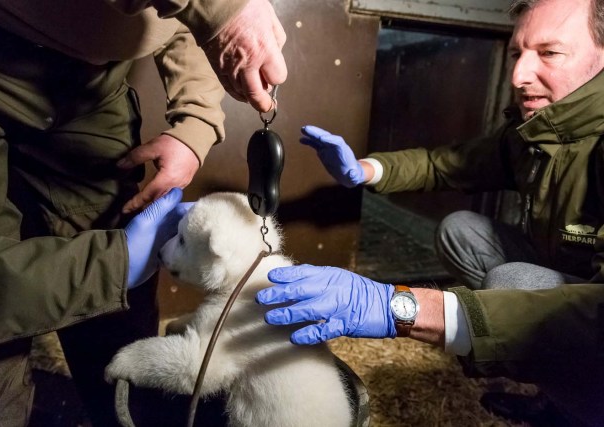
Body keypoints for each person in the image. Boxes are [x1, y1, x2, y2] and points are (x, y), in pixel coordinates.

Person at [257, 0, 604, 425]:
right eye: (516, 53)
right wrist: (363, 169)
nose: (518, 77)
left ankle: (581, 408)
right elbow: (448, 163)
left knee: (514, 282)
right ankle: (552, 392)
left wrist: (403, 308)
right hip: (571, 268)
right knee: (462, 231)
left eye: (549, 53)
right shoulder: (541, 130)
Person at [0, 0, 287, 426]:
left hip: (93, 85)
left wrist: (196, 124)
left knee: (118, 318)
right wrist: (224, 8)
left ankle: (123, 411)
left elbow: (184, 23)